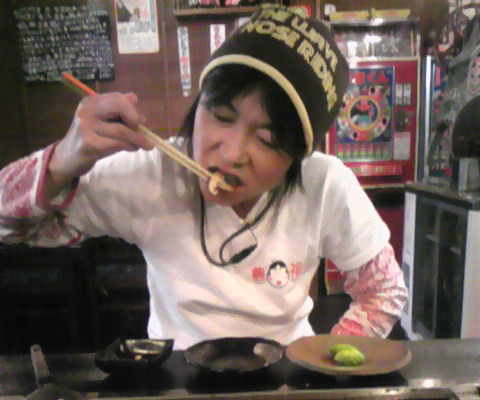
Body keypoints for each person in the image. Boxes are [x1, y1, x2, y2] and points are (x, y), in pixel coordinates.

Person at [0, 6, 407, 350]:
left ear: (298, 155)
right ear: (199, 105)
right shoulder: (153, 170)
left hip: (285, 375)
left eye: (267, 139)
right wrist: (60, 163)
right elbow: (11, 227)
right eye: (222, 116)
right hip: (176, 382)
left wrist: (323, 362)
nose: (231, 153)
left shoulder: (324, 184)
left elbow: (384, 291)